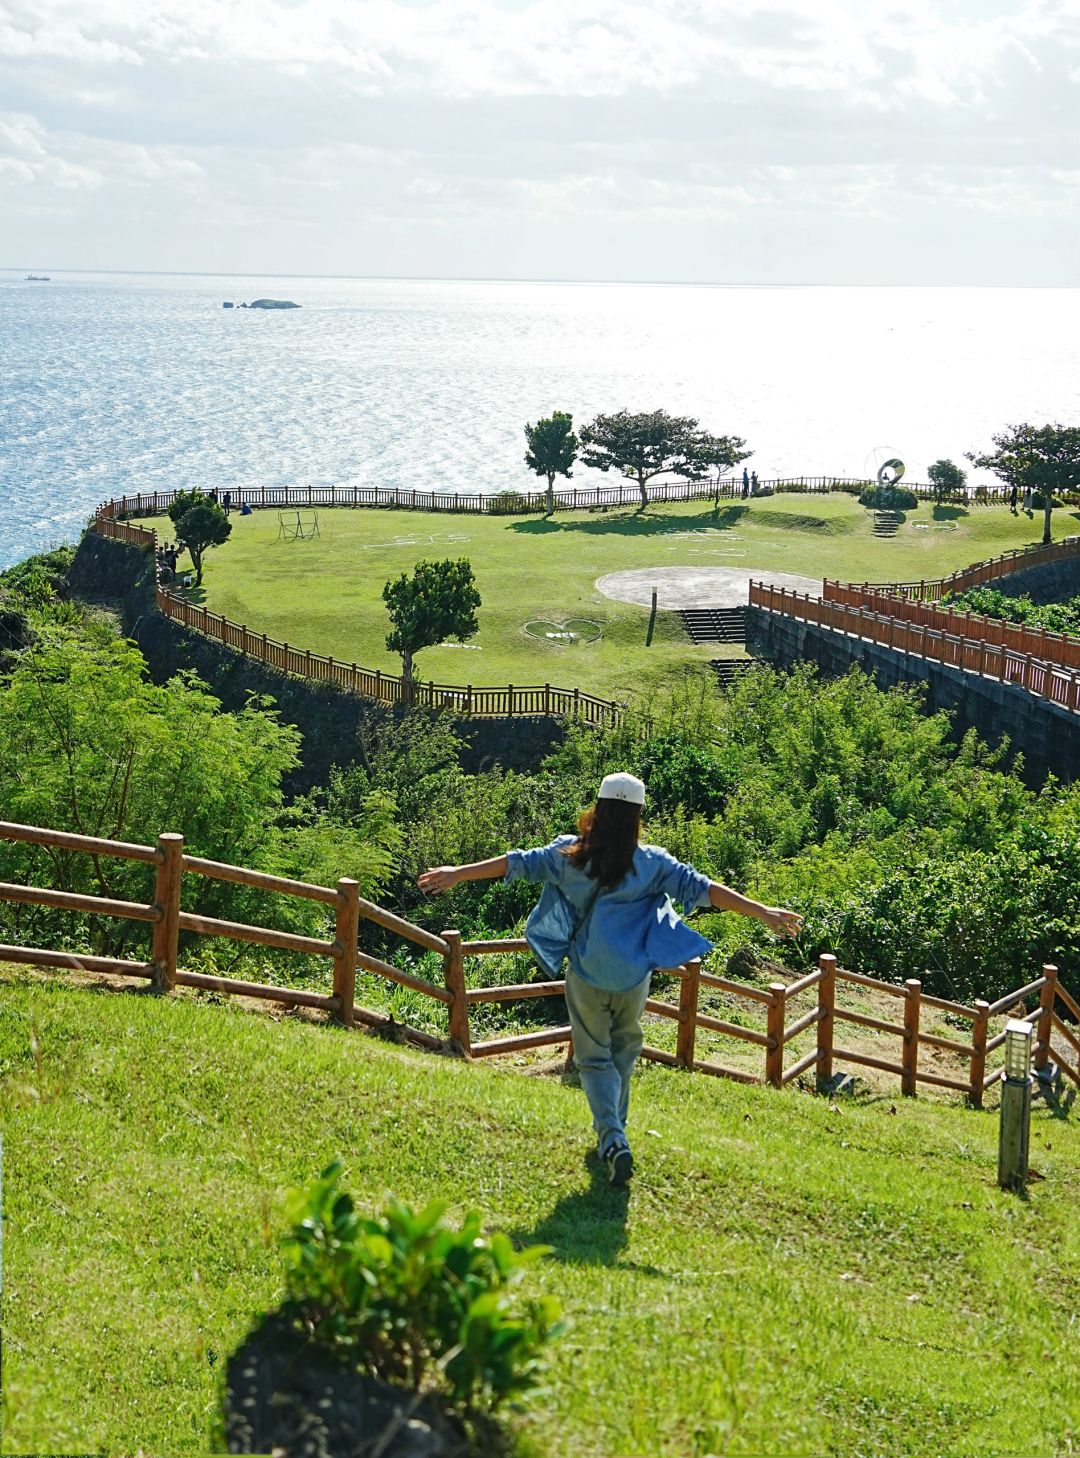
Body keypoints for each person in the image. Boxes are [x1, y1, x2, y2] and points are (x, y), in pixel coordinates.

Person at [419, 772, 802, 1187]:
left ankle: (613, 1138)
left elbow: (517, 862)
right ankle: (612, 1134)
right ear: (637, 816)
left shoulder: (569, 854)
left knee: (593, 1059)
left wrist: (458, 872)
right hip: (634, 977)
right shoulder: (653, 863)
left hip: (586, 974)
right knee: (623, 1050)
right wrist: (763, 911)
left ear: (597, 810)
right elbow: (705, 889)